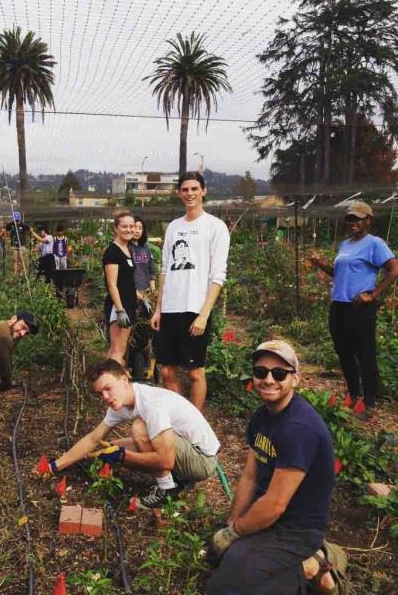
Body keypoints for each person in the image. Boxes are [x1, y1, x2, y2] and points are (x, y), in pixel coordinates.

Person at [207, 340, 340, 595]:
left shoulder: (299, 429)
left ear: (295, 379)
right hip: (267, 518)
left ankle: (313, 568)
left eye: (279, 373)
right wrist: (232, 521)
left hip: (296, 530)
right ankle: (300, 562)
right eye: (260, 372)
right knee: (219, 558)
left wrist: (235, 532)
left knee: (224, 589)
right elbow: (250, 476)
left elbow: (276, 504)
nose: (268, 379)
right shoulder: (261, 417)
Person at [46, 359, 220, 509]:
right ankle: (176, 478)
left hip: (202, 460)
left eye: (108, 388)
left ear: (124, 380)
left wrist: (122, 456)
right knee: (109, 446)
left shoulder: (151, 405)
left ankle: (166, 491)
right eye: (100, 393)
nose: (106, 397)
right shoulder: (119, 402)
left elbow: (166, 460)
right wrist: (55, 466)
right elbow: (94, 438)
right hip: (183, 447)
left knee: (139, 430)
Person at [308, 202, 397, 420]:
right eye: (350, 219)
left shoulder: (374, 244)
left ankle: (369, 403)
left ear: (368, 220)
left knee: (365, 354)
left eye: (357, 218)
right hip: (339, 306)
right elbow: (339, 273)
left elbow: (394, 270)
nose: (353, 223)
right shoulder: (346, 244)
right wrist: (321, 264)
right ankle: (353, 395)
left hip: (360, 308)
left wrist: (373, 295)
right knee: (344, 352)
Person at [150, 172, 230, 410]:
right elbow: (165, 269)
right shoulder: (174, 227)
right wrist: (158, 309)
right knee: (166, 371)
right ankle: (180, 418)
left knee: (195, 373)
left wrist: (204, 314)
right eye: (185, 189)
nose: (190, 194)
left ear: (203, 191)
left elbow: (218, 276)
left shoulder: (215, 227)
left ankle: (196, 426)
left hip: (195, 308)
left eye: (194, 189)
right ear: (179, 193)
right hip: (170, 309)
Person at [103, 211, 137, 366]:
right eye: (124, 226)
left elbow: (126, 281)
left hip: (128, 303)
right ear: (116, 228)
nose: (129, 229)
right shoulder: (113, 252)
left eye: (131, 226)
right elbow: (112, 284)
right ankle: (112, 386)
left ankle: (109, 384)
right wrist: (119, 310)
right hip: (119, 306)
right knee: (117, 352)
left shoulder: (127, 250)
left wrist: (139, 296)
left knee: (118, 350)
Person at [130, 216, 157, 295]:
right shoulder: (125, 247)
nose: (137, 231)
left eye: (140, 228)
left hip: (146, 291)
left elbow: (151, 269)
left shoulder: (145, 247)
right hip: (130, 291)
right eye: (135, 227)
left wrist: (153, 289)